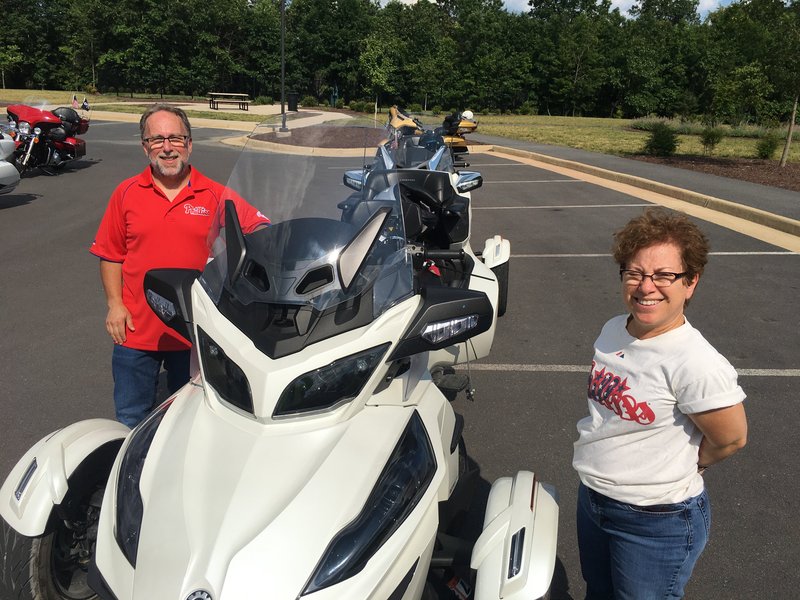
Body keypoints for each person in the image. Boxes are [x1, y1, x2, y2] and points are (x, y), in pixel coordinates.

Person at [572, 208, 748, 600]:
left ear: (691, 282)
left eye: (665, 275)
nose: (646, 286)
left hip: (655, 520)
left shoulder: (695, 362)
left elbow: (731, 439)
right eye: (635, 273)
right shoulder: (614, 328)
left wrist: (689, 464)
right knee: (598, 593)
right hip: (594, 499)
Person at [90, 103, 269, 428]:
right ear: (145, 146)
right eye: (157, 139)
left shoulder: (214, 194)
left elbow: (259, 230)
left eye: (175, 138)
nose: (167, 147)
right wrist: (115, 305)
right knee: (131, 419)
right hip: (135, 331)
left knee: (187, 421)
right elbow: (111, 254)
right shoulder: (126, 193)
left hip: (192, 332)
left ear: (189, 143)